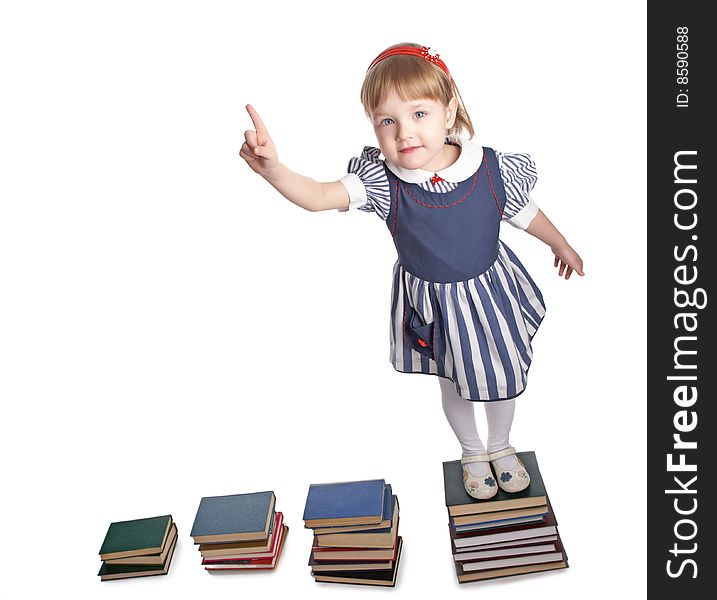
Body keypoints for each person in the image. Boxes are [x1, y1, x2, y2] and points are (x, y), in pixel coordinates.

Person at [240, 42, 584, 500]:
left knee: (499, 376)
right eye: (388, 121)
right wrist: (274, 170)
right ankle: (472, 451)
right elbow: (320, 196)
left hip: (490, 292)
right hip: (434, 305)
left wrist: (561, 244)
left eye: (419, 114)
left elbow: (526, 213)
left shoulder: (490, 171)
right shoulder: (383, 182)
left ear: (450, 109)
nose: (404, 132)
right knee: (454, 378)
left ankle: (501, 446)